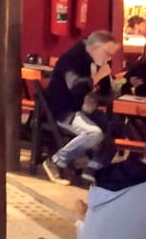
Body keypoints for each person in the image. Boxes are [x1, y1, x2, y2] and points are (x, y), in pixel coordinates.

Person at [42, 29, 121, 185]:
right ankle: (56, 160)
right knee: (94, 133)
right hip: (64, 109)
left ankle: (93, 168)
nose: (109, 58)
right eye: (108, 54)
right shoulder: (71, 58)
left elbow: (107, 92)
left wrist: (95, 99)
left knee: (116, 127)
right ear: (96, 48)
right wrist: (98, 77)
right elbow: (75, 87)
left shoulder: (100, 61)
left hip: (86, 109)